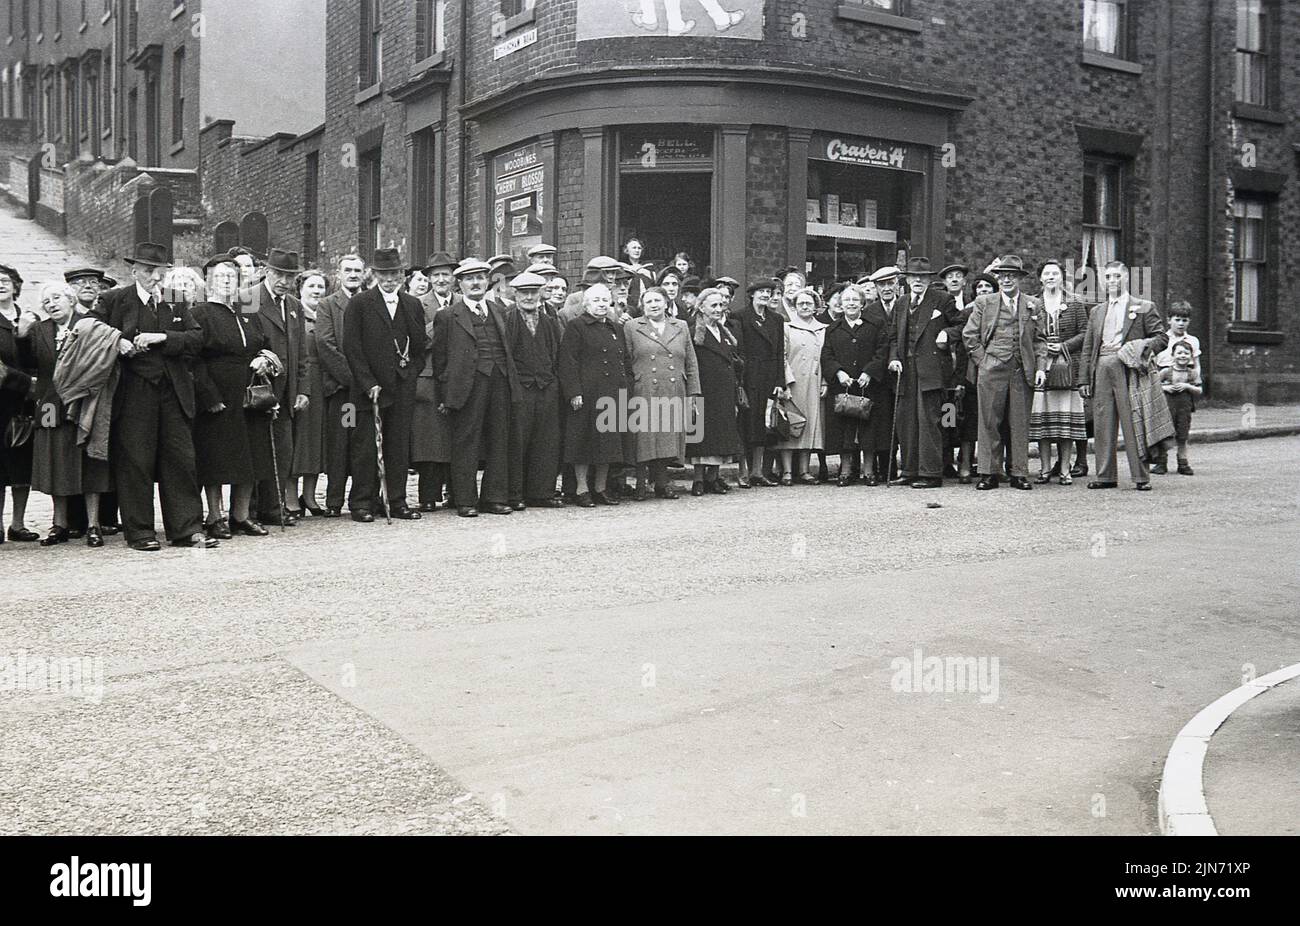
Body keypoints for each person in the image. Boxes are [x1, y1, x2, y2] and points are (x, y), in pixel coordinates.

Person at [93, 242, 214, 550]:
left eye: (161, 273)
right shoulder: (114, 300)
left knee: (181, 459)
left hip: (173, 390)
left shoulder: (176, 300)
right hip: (133, 391)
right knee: (136, 460)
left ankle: (186, 529)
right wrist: (117, 340)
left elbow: (197, 338)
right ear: (134, 271)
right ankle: (140, 532)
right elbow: (89, 328)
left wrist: (162, 337)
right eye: (149, 272)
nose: (156, 279)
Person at [19, 283, 114, 547]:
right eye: (46, 301)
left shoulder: (89, 325)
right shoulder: (40, 330)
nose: (51, 304)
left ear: (71, 299)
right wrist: (21, 335)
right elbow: (27, 363)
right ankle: (59, 524)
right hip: (48, 405)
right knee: (53, 460)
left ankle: (93, 525)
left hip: (85, 403)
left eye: (57, 298)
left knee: (89, 460)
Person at [191, 256, 277, 539]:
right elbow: (195, 359)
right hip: (218, 392)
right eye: (220, 276)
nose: (227, 281)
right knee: (216, 456)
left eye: (232, 276)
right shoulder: (200, 312)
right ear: (208, 281)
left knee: (250, 454)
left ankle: (240, 515)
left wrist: (264, 359)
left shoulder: (247, 311)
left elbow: (263, 343)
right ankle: (214, 517)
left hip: (249, 393)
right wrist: (208, 395)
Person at [433, 257, 521, 517]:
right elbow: (441, 360)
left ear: (488, 281)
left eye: (480, 277)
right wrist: (444, 395)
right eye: (469, 278)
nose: (476, 283)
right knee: (466, 442)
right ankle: (466, 500)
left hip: (500, 381)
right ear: (459, 284)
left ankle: (494, 497)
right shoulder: (448, 316)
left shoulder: (500, 311)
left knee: (499, 439)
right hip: (466, 386)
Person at [341, 247, 425, 521]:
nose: (389, 279)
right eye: (383, 274)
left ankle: (395, 500)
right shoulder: (360, 304)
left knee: (398, 447)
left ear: (401, 275)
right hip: (368, 391)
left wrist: (410, 374)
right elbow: (351, 348)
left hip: (401, 388)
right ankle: (361, 503)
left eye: (394, 274)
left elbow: (420, 348)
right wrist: (368, 383)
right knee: (365, 447)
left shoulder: (412, 304)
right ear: (375, 275)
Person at [960, 255, 1048, 491]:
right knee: (989, 421)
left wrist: (1040, 368)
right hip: (991, 369)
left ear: (1019, 278)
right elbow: (969, 335)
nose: (1007, 279)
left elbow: (1040, 340)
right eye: (1002, 275)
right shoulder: (985, 302)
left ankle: (1019, 472)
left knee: (1019, 423)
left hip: (1021, 369)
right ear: (998, 278)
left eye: (1011, 275)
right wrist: (983, 361)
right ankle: (989, 472)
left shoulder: (1033, 304)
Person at [1078, 260, 1167, 491]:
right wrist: (1084, 379)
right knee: (1102, 422)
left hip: (1128, 368)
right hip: (1102, 366)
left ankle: (1140, 476)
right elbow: (1088, 347)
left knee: (1132, 421)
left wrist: (1141, 347)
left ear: (1126, 278)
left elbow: (1162, 338)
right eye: (1107, 277)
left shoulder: (1143, 306)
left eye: (1116, 276)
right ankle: (1105, 475)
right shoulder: (1097, 311)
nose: (1112, 281)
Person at [240, 248, 311, 526]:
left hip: (287, 392)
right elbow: (244, 344)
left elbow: (302, 352)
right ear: (266, 272)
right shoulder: (248, 298)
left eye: (289, 275)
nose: (283, 280)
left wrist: (302, 389)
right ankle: (252, 509)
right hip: (259, 389)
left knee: (282, 451)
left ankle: (274, 506)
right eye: (278, 273)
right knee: (258, 449)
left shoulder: (293, 305)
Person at [887, 257, 964, 489]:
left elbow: (962, 326)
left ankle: (931, 473)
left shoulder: (943, 299)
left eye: (922, 277)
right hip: (905, 370)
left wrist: (947, 334)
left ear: (929, 279)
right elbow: (892, 336)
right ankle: (909, 470)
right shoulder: (901, 303)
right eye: (913, 276)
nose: (918, 280)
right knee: (906, 421)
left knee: (929, 421)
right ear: (907, 279)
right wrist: (893, 358)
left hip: (932, 370)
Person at [558, 283, 632, 507]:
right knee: (583, 443)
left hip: (612, 394)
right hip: (587, 395)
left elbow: (624, 361)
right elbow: (567, 362)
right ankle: (582, 489)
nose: (601, 304)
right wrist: (574, 392)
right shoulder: (576, 326)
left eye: (604, 300)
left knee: (608, 444)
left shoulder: (615, 328)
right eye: (596, 301)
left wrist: (626, 389)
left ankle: (601, 488)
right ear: (586, 304)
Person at [623, 285, 699, 500]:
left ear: (666, 303)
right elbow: (626, 361)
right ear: (642, 306)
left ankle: (662, 483)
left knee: (667, 435)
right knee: (644, 437)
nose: (653, 305)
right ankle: (640, 482)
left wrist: (694, 393)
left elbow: (691, 362)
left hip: (673, 388)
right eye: (648, 302)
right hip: (643, 388)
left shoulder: (681, 326)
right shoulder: (631, 326)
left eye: (657, 300)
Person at [63, 267, 121, 537]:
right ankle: (74, 520)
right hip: (72, 398)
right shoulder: (65, 317)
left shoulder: (109, 315)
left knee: (106, 455)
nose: (88, 286)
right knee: (73, 456)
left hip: (109, 394)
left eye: (93, 282)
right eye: (79, 283)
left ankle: (107, 516)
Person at [313, 253, 366, 517]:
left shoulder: (371, 301)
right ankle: (334, 500)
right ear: (339, 273)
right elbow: (325, 344)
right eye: (348, 270)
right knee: (341, 443)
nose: (353, 274)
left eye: (358, 270)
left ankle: (364, 498)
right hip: (345, 392)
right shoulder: (329, 305)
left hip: (369, 391)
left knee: (363, 444)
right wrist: (354, 380)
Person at [507, 271, 565, 509]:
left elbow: (556, 353)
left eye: (533, 292)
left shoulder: (551, 320)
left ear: (541, 293)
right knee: (518, 441)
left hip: (546, 387)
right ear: (516, 294)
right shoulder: (508, 319)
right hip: (521, 388)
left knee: (546, 441)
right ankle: (515, 493)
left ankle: (542, 492)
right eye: (524, 293)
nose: (529, 297)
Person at [821, 284, 889, 486]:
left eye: (855, 300)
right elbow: (826, 355)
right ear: (841, 304)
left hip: (869, 386)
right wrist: (838, 372)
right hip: (843, 387)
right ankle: (845, 470)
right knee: (845, 430)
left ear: (862, 303)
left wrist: (869, 371)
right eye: (847, 300)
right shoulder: (833, 329)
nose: (851, 304)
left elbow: (882, 351)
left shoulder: (875, 325)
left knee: (869, 429)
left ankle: (869, 472)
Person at [1029, 259, 1088, 485]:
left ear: (1063, 277)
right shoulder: (1032, 304)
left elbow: (1085, 332)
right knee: (1043, 420)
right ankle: (1044, 469)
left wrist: (1064, 346)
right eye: (1047, 273)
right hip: (1041, 368)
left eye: (1055, 273)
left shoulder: (1074, 302)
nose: (1051, 277)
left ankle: (1064, 469)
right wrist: (1043, 348)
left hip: (1067, 367)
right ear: (1040, 278)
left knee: (1066, 422)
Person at [687, 287, 743, 495]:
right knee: (703, 435)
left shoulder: (725, 331)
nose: (719, 309)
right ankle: (698, 479)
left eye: (721, 305)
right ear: (701, 307)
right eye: (714, 305)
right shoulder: (694, 331)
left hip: (725, 389)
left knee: (722, 432)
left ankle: (714, 476)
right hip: (705, 389)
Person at [412, 251, 457, 511]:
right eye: (436, 275)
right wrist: (441, 321)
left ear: (454, 278)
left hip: (456, 376)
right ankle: (428, 496)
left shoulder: (462, 301)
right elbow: (416, 340)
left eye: (446, 275)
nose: (441, 280)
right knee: (429, 439)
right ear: (429, 278)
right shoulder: (418, 304)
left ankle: (454, 490)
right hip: (428, 376)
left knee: (455, 435)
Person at [731, 278, 785, 488]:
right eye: (760, 291)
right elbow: (740, 351)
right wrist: (741, 379)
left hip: (769, 376)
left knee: (764, 423)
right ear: (751, 294)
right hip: (749, 375)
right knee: (746, 423)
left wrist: (780, 381)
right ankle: (743, 471)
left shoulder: (776, 319)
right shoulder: (741, 317)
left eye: (768, 292)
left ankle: (758, 471)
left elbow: (780, 352)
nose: (765, 295)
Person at [0, 262, 37, 542]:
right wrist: (29, 384)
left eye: (5, 280)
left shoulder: (29, 319)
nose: (0, 284)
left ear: (16, 286)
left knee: (22, 462)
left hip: (26, 405)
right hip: (3, 400)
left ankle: (18, 523)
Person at [774, 287, 827, 484]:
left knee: (810, 425)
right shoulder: (787, 328)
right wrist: (785, 382)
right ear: (794, 307)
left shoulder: (823, 329)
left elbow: (827, 358)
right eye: (800, 304)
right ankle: (787, 471)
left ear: (816, 307)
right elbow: (782, 356)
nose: (804, 306)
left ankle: (804, 470)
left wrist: (824, 382)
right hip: (793, 383)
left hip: (814, 382)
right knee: (790, 425)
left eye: (809, 303)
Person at [950, 272, 999, 482]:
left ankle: (995, 465)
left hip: (997, 370)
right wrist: (959, 380)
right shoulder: (967, 313)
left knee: (994, 420)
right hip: (972, 372)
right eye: (980, 287)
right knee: (968, 422)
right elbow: (961, 348)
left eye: (988, 287)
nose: (984, 291)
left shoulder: (1002, 310)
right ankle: (965, 464)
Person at [289, 270, 330, 514]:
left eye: (321, 286)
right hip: (302, 380)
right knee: (299, 439)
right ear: (301, 289)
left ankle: (310, 496)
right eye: (312, 286)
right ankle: (290, 497)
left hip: (324, 383)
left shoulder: (326, 313)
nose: (316, 291)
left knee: (317, 439)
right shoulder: (294, 314)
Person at [862, 265, 903, 482]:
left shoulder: (905, 306)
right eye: (881, 284)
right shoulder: (869, 312)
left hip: (901, 374)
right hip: (878, 378)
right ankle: (882, 466)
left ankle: (900, 466)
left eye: (890, 283)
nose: (886, 288)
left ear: (897, 284)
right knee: (880, 422)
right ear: (876, 287)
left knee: (901, 421)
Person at [1152, 342, 1201, 476]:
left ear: (1191, 356)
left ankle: (1183, 464)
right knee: (1164, 435)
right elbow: (1153, 386)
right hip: (1167, 410)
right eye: (1179, 353)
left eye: (1186, 353)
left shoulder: (1192, 373)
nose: (1183, 356)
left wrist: (1188, 387)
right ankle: (1161, 463)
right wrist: (1166, 387)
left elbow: (1199, 390)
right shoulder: (1166, 372)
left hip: (1184, 411)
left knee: (1182, 437)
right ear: (1173, 355)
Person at [1154, 300, 1201, 377]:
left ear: (1189, 321)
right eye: (1177, 320)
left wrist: (1196, 382)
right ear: (1169, 320)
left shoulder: (1193, 341)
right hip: (1163, 379)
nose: (1181, 324)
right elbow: (1154, 366)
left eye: (1184, 320)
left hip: (1187, 379)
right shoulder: (1160, 340)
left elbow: (1197, 366)